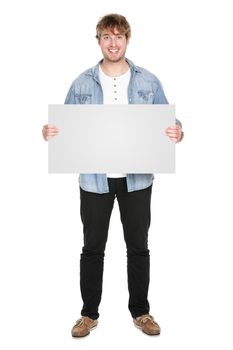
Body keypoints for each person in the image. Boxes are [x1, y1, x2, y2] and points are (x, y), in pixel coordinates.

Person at [42, 13, 184, 337]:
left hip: (137, 180)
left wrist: (178, 132)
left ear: (127, 40)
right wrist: (49, 131)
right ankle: (88, 314)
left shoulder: (148, 81)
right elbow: (64, 128)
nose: (114, 42)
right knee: (92, 246)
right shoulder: (82, 82)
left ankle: (141, 312)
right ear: (99, 41)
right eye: (107, 36)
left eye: (119, 36)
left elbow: (171, 123)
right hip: (95, 180)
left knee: (138, 245)